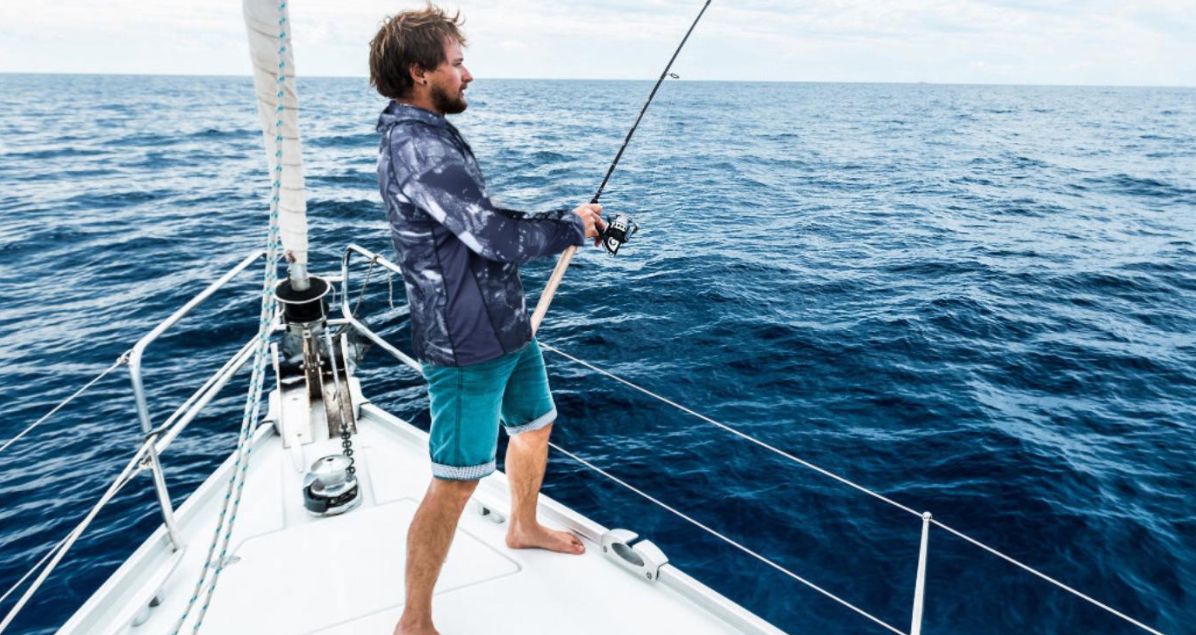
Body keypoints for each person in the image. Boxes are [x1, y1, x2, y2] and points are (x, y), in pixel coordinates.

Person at [369, 6, 606, 635]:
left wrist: (562, 216)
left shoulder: (429, 133)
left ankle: (522, 525)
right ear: (420, 72)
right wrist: (569, 228)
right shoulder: (418, 146)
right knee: (455, 480)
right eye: (456, 62)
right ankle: (413, 621)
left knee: (535, 423)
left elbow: (479, 220)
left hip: (506, 327)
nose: (467, 74)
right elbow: (494, 237)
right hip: (466, 344)